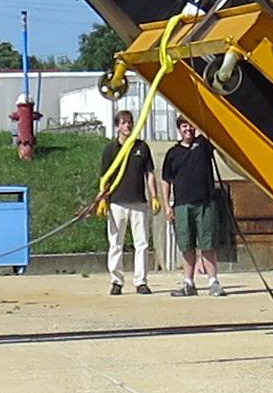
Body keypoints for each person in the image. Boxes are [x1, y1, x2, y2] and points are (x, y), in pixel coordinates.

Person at [95, 108, 157, 296]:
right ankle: (116, 281)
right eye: (123, 123)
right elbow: (104, 177)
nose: (128, 126)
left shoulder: (142, 147)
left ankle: (141, 281)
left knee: (142, 243)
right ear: (117, 127)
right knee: (116, 243)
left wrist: (154, 196)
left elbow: (150, 173)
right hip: (117, 203)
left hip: (138, 201)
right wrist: (103, 200)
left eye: (130, 122)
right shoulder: (110, 150)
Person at [160, 118, 224, 295]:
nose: (188, 129)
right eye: (184, 126)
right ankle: (188, 283)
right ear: (179, 129)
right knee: (186, 245)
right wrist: (167, 205)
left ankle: (213, 282)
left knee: (207, 243)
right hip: (182, 205)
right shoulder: (172, 153)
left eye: (190, 125)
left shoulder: (203, 145)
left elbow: (213, 128)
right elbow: (166, 180)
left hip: (205, 202)